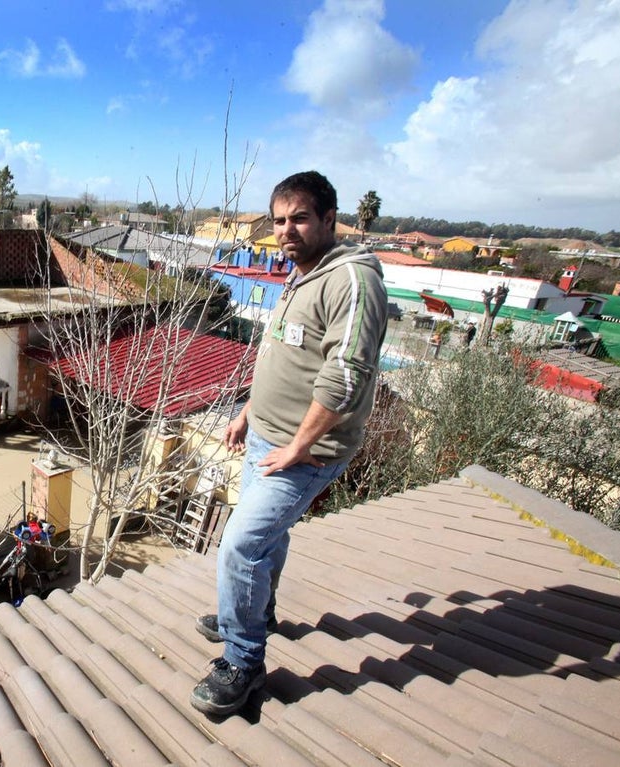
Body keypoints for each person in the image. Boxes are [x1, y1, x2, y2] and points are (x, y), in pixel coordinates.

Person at [189, 171, 388, 717]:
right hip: (268, 438)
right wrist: (248, 414)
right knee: (267, 539)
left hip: (308, 450)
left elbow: (345, 375)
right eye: (279, 220)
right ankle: (257, 611)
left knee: (241, 544)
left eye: (299, 218)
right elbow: (283, 355)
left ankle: (244, 661)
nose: (286, 231)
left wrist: (299, 447)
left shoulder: (351, 280)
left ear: (329, 219)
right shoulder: (302, 275)